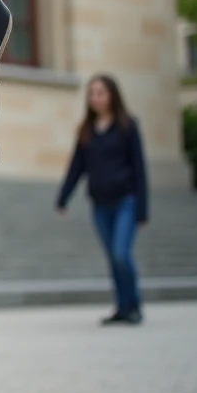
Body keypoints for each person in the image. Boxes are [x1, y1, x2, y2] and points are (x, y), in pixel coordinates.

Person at [56, 74, 149, 326]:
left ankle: (134, 305)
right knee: (112, 257)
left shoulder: (127, 126)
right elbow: (77, 167)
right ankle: (122, 307)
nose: (95, 98)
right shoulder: (86, 131)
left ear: (112, 95)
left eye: (100, 93)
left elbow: (139, 169)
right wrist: (63, 197)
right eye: (91, 93)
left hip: (126, 202)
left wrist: (142, 210)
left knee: (121, 254)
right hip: (99, 205)